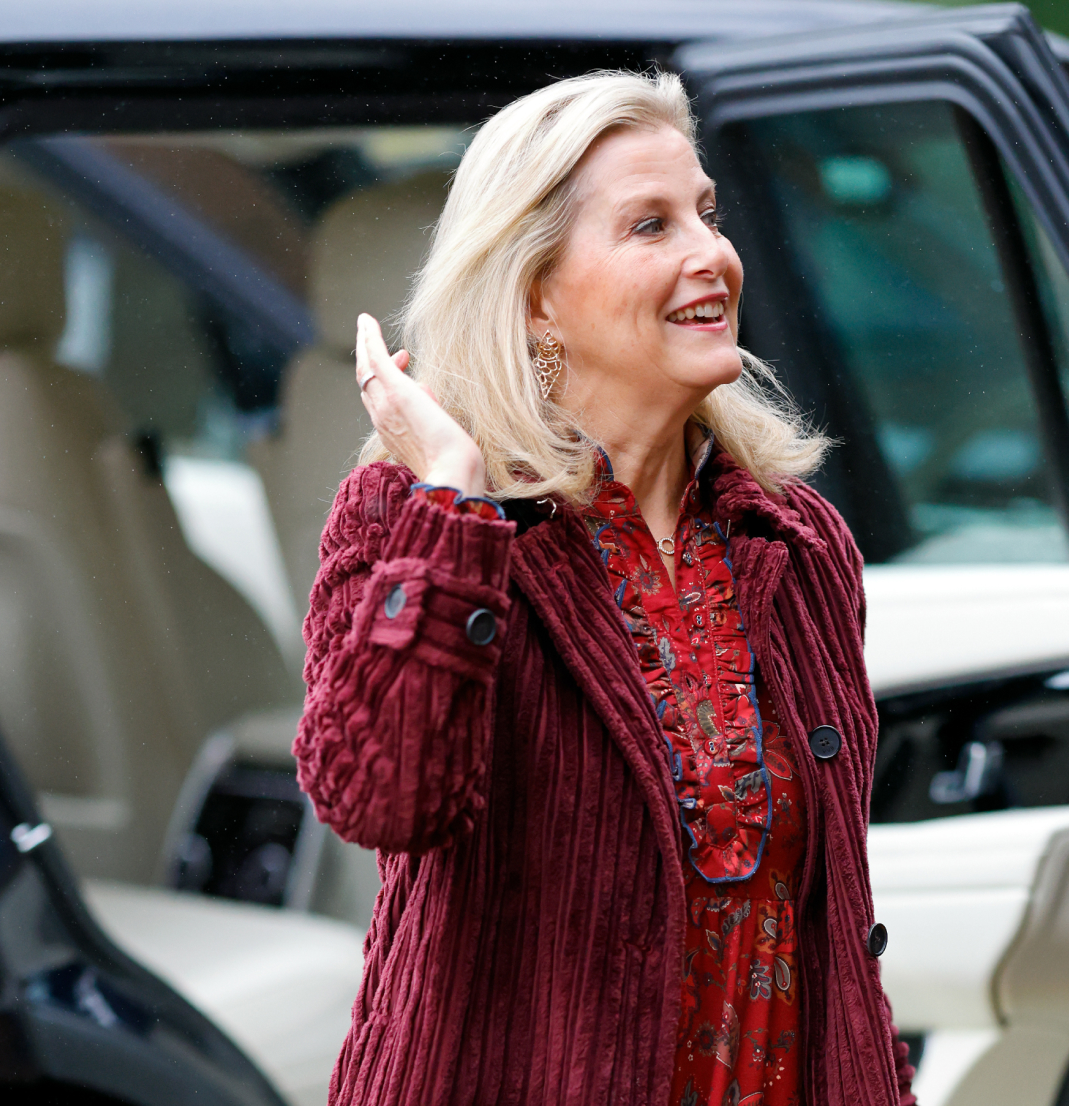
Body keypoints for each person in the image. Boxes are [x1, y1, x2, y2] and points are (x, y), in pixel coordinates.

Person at [294, 70, 916, 1106]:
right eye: (649, 225)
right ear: (538, 295)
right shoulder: (414, 522)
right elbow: (378, 794)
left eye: (707, 215)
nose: (711, 255)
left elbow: (835, 932)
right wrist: (454, 500)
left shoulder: (796, 541)